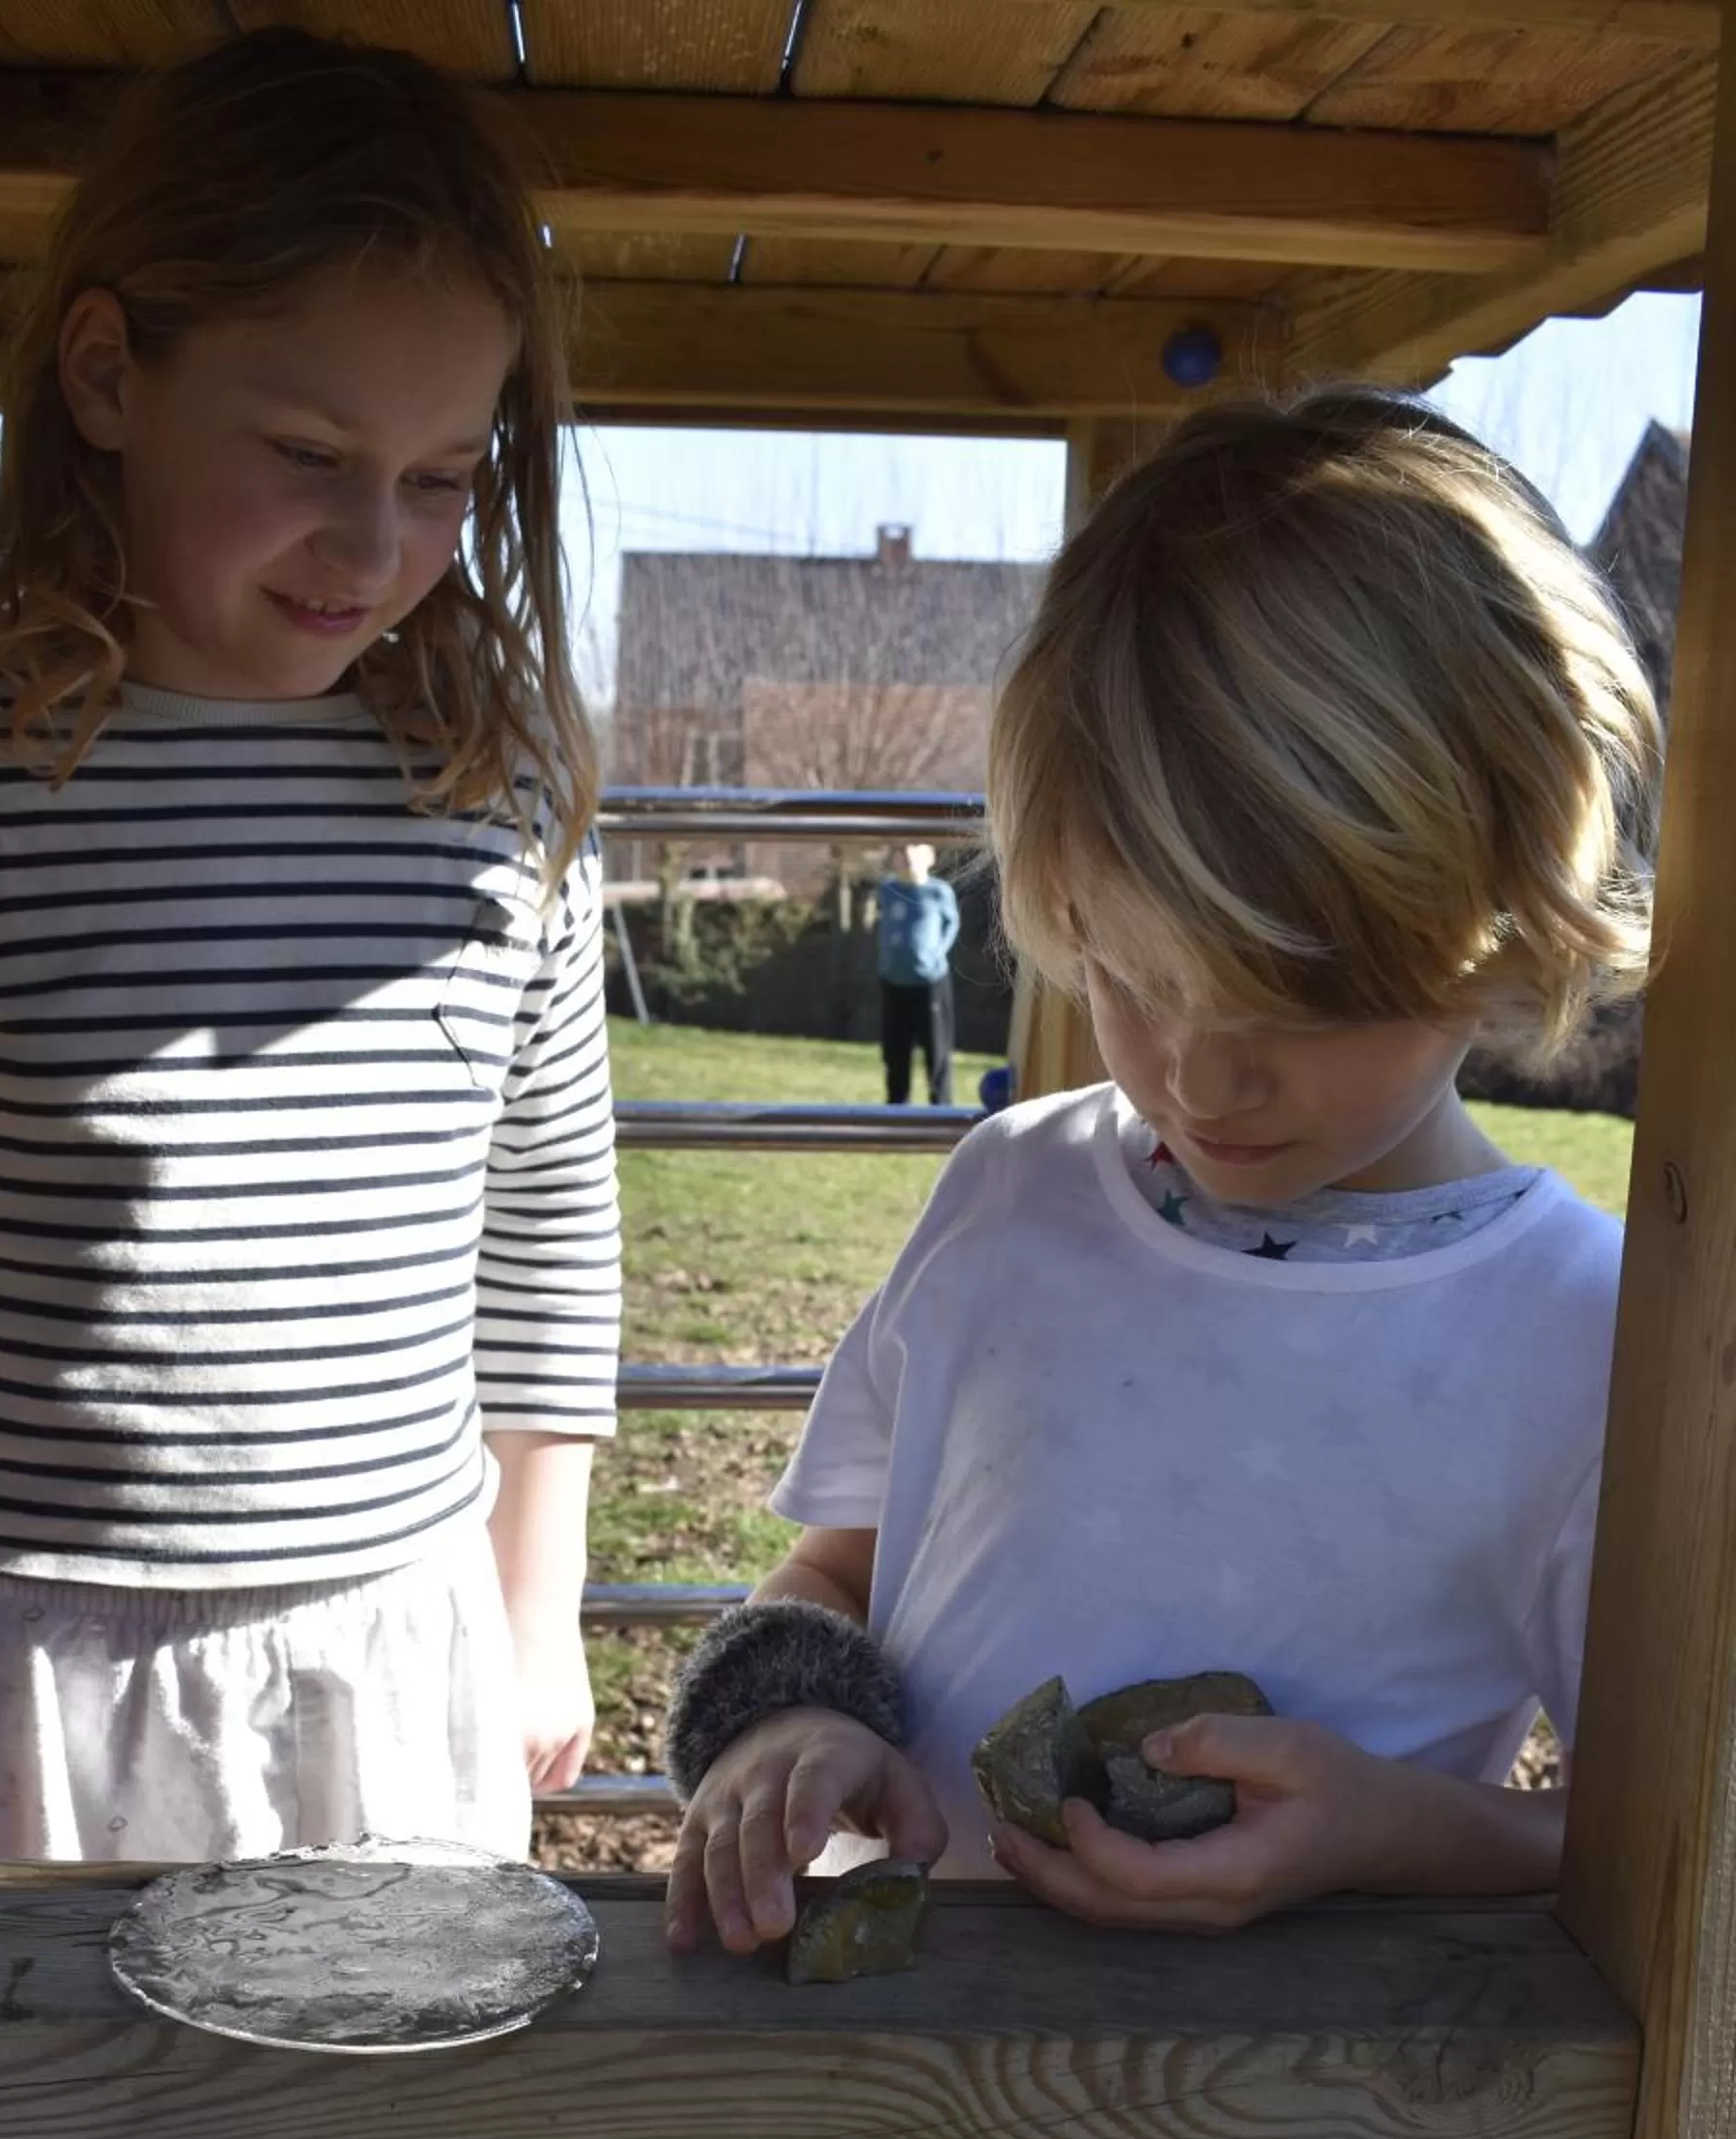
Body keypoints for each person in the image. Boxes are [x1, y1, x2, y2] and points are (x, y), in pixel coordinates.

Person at [661, 389, 1660, 1954]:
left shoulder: (1590, 1336)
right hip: (887, 2092)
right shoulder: (1007, 1189)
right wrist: (789, 1731)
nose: (1200, 1078)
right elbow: (831, 1573)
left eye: (1303, 1001)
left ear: (1506, 919)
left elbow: (1653, 1837)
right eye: (1129, 979)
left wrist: (1391, 1832)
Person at [0, 29, 619, 1865]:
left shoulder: (492, 783)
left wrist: (538, 1595)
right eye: (312, 453)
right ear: (108, 375)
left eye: (440, 475)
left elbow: (549, 1197)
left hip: (396, 1655)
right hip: (0, 1670)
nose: (373, 540)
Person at [875, 839, 960, 1104]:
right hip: (893, 983)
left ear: (930, 856)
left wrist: (935, 954)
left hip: (930, 983)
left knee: (936, 1053)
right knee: (895, 1052)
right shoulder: (887, 890)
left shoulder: (939, 892)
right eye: (902, 850)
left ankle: (941, 1112)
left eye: (916, 847)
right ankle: (896, 1111)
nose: (909, 855)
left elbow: (951, 924)